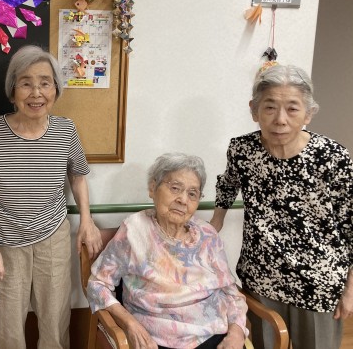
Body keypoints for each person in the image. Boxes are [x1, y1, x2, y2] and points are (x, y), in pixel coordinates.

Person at [0, 44, 102, 349]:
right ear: (12, 91)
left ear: (55, 90)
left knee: (55, 324)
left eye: (45, 83)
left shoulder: (65, 130)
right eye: (26, 83)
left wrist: (87, 221)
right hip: (2, 241)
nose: (36, 93)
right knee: (7, 330)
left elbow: (78, 176)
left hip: (53, 238)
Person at [210, 64, 353, 349]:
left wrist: (350, 289)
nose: (280, 120)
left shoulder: (332, 157)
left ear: (308, 114)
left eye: (292, 109)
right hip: (261, 276)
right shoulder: (242, 150)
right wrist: (216, 222)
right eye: (270, 107)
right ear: (254, 110)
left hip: (318, 282)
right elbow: (227, 184)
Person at [87, 153, 248, 349]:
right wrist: (129, 324)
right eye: (175, 188)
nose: (183, 200)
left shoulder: (208, 235)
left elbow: (230, 292)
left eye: (192, 194)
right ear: (153, 188)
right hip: (157, 338)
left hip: (215, 334)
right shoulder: (134, 231)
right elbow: (98, 285)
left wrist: (237, 332)